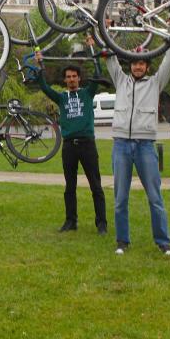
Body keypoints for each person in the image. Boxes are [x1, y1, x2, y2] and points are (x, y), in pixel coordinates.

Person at [104, 42, 170, 256]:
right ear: (130, 66)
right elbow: (110, 57)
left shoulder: (155, 83)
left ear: (147, 66)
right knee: (120, 198)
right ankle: (122, 241)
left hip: (145, 145)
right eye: (134, 63)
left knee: (155, 197)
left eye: (142, 63)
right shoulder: (120, 80)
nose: (137, 67)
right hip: (121, 144)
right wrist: (106, 32)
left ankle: (163, 242)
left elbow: (169, 63)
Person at [36, 38, 108, 234]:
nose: (71, 79)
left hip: (87, 145)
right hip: (69, 146)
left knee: (96, 186)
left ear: (79, 78)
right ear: (65, 80)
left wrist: (92, 48)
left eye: (74, 76)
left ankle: (101, 223)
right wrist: (40, 63)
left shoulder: (88, 93)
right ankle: (71, 221)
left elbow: (98, 74)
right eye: (68, 77)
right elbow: (45, 87)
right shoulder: (61, 98)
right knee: (70, 186)